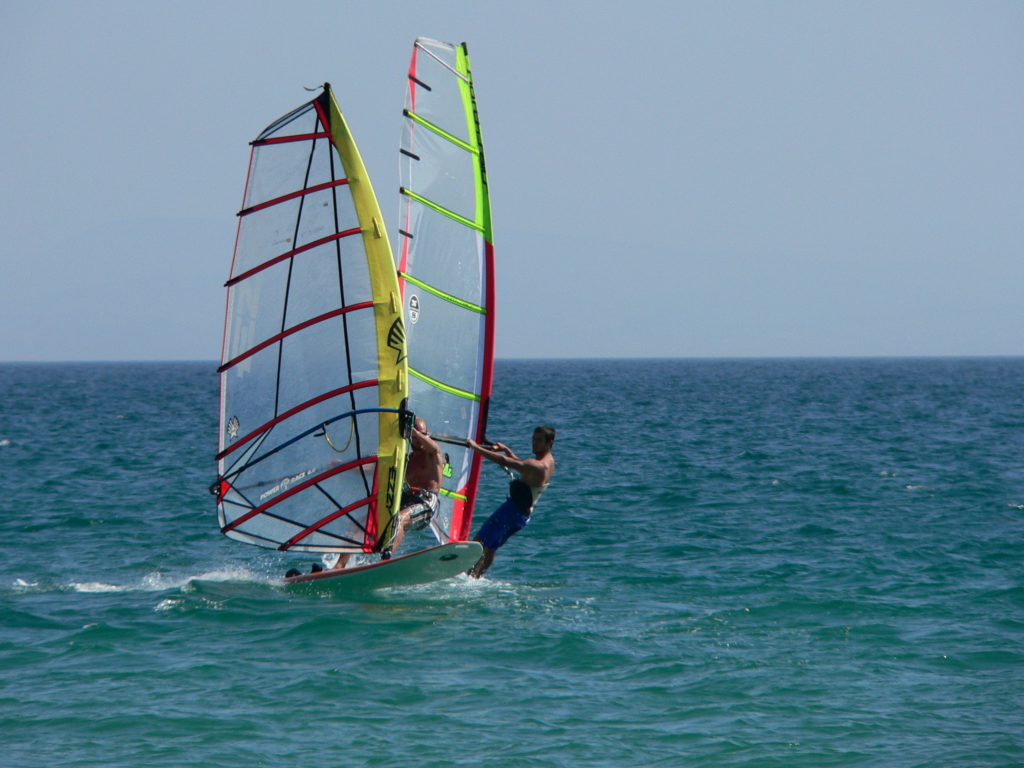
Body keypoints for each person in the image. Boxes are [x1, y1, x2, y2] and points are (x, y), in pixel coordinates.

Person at [466, 425, 556, 578]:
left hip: (512, 511)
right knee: (491, 546)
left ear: (550, 443)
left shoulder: (538, 465)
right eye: (533, 439)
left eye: (539, 440)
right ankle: (476, 577)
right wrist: (507, 449)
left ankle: (469, 576)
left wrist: (475, 447)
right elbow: (523, 466)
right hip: (522, 516)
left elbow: (504, 461)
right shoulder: (549, 461)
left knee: (480, 542)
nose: (534, 443)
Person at [385, 417, 444, 556]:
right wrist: (344, 466)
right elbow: (375, 467)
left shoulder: (432, 455)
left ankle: (384, 561)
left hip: (426, 501)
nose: (419, 439)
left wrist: (417, 433)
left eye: (423, 434)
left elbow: (435, 448)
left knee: (400, 518)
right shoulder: (407, 460)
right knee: (369, 517)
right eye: (415, 436)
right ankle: (340, 564)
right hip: (408, 499)